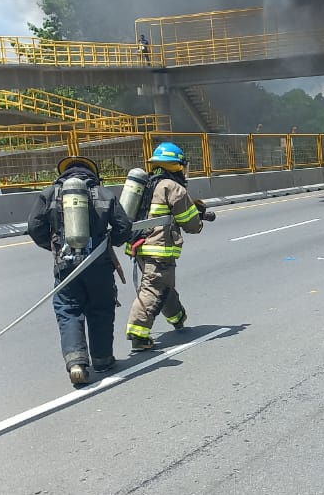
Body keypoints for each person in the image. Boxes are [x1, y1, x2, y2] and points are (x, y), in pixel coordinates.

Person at [27, 156, 133, 385]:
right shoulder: (104, 194)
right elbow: (124, 227)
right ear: (93, 173)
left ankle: (77, 363)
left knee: (68, 310)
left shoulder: (49, 194)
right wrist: (108, 243)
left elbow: (34, 228)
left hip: (66, 265)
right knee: (101, 309)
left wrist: (54, 246)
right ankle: (103, 360)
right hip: (99, 265)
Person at [125, 142, 210, 351]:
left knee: (162, 284)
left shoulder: (146, 183)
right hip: (158, 248)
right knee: (154, 287)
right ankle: (138, 334)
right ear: (177, 165)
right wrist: (198, 218)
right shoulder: (173, 187)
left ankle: (177, 317)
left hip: (139, 246)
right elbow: (191, 225)